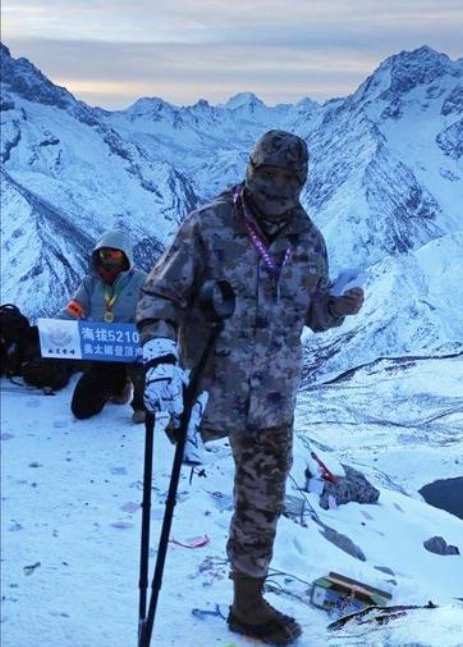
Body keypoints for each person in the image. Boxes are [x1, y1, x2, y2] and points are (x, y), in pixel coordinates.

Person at [137, 130, 364, 645]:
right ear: (250, 170)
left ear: (302, 182)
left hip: (273, 399)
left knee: (262, 501)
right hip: (208, 391)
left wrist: (337, 308)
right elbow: (158, 296)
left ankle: (247, 603)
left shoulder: (309, 241)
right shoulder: (208, 227)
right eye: (268, 175)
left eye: (289, 178)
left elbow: (313, 314)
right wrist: (156, 355)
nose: (277, 187)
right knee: (170, 491)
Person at [59, 229, 148, 423]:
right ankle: (118, 387)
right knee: (81, 408)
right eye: (103, 254)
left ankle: (142, 404)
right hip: (104, 348)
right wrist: (57, 326)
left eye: (114, 254)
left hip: (133, 349)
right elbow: (76, 307)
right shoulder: (91, 282)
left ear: (125, 256)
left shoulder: (143, 281)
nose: (108, 259)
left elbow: (152, 312)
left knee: (143, 365)